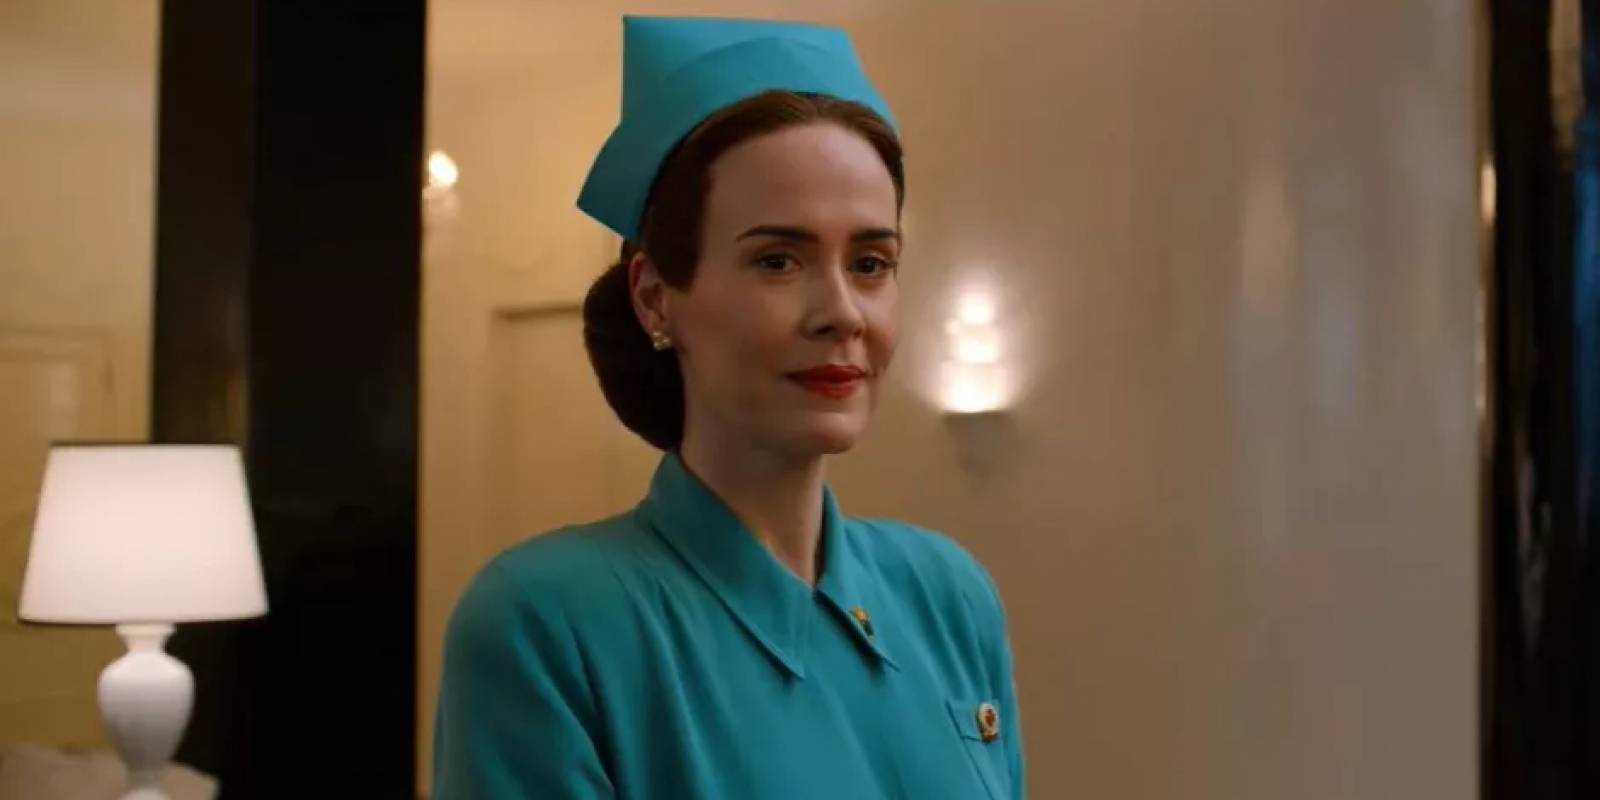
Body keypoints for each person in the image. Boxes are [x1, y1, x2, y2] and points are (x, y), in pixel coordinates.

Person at [432, 15, 1024, 799]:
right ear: (655, 296)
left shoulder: (947, 596)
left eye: (871, 262)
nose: (841, 312)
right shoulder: (548, 623)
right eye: (778, 260)